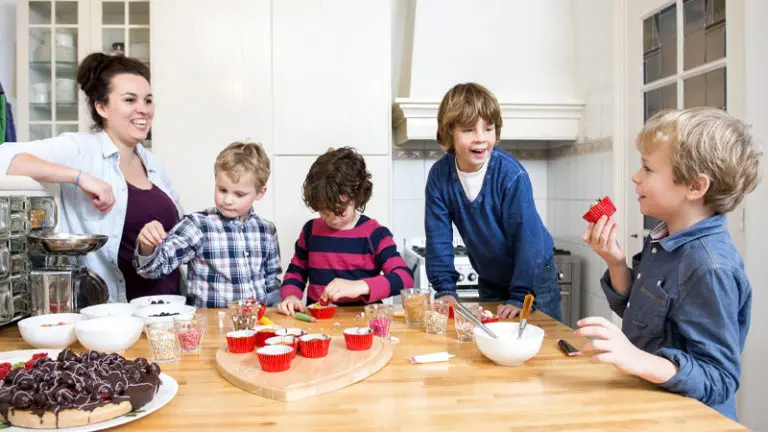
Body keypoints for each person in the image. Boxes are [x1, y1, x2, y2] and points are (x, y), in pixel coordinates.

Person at [578, 108, 760, 421]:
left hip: (690, 420)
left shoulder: (709, 267)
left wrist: (636, 358)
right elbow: (644, 314)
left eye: (648, 168)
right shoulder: (664, 239)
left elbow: (720, 379)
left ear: (695, 186)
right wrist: (616, 261)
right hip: (651, 409)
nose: (636, 177)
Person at [0, 52, 182, 302]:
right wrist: (79, 177)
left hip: (172, 309)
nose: (143, 109)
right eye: (130, 100)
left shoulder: (154, 164)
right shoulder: (81, 150)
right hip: (116, 315)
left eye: (148, 100)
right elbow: (5, 157)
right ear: (102, 106)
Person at [425, 82, 561, 320]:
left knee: (542, 341)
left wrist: (520, 294)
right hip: (490, 275)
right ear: (449, 133)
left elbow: (527, 237)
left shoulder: (511, 175)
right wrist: (445, 289)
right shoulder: (439, 177)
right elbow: (438, 238)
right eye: (468, 130)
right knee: (492, 338)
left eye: (488, 129)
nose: (481, 139)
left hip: (534, 275)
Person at [134, 142, 281, 308]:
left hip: (255, 325)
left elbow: (271, 282)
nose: (228, 200)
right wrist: (146, 247)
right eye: (222, 190)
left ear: (260, 193)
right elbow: (153, 269)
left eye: (239, 194)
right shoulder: (197, 226)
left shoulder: (266, 230)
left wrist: (276, 313)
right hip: (212, 327)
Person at [277, 147, 413, 315]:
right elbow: (295, 273)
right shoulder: (310, 231)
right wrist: (290, 296)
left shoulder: (375, 234)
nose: (332, 219)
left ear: (357, 197)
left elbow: (405, 278)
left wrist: (360, 286)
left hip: (364, 325)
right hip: (318, 324)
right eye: (325, 212)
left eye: (340, 211)